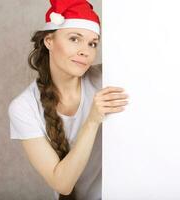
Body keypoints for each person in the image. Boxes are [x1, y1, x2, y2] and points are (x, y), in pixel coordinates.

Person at [7, 0, 129, 199]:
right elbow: (62, 184)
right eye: (74, 39)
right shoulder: (23, 107)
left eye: (93, 43)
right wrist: (92, 120)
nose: (85, 51)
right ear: (49, 41)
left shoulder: (106, 79)